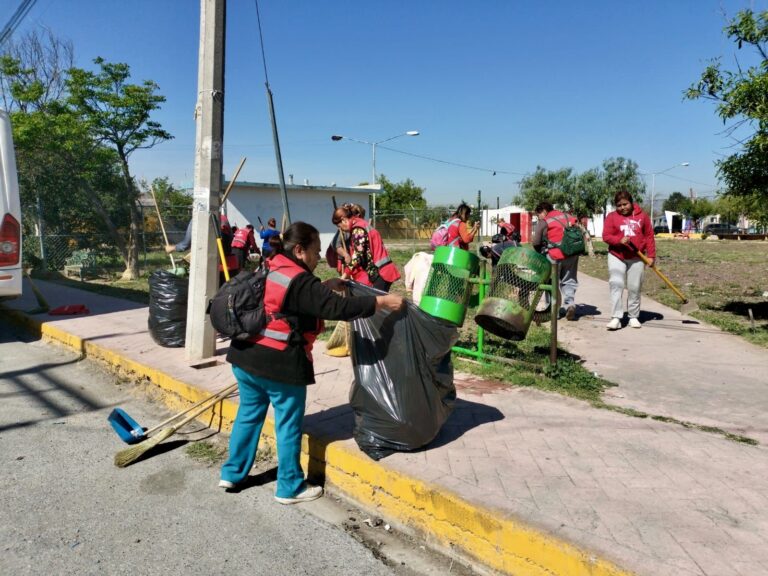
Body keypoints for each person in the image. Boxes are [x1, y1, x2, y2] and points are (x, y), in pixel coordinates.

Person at [220, 222, 404, 503]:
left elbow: (291, 297)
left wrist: (324, 286)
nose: (319, 257)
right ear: (299, 250)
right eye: (316, 251)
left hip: (245, 357)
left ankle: (232, 474)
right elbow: (338, 308)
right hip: (279, 364)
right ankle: (289, 487)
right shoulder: (300, 280)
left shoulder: (272, 264)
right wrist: (382, 302)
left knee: (248, 415)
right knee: (288, 425)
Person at [601, 190, 656, 330]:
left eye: (625, 204)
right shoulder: (612, 217)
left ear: (631, 203)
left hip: (637, 256)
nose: (622, 208)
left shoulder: (642, 217)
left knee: (634, 287)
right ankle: (616, 317)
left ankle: (633, 316)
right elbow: (606, 236)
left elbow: (649, 236)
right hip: (616, 255)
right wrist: (618, 240)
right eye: (619, 205)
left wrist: (651, 256)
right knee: (616, 284)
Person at [331, 206, 401, 292]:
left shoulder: (358, 229)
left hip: (380, 272)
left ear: (344, 220)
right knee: (378, 302)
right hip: (382, 271)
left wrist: (344, 275)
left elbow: (357, 256)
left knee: (376, 302)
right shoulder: (361, 223)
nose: (341, 229)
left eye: (339, 226)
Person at [532, 201, 582, 321]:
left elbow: (536, 242)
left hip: (554, 255)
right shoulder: (567, 216)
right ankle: (569, 304)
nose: (539, 218)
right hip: (572, 254)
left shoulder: (545, 221)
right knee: (569, 280)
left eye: (538, 215)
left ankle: (554, 311)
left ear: (543, 211)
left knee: (551, 283)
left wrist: (539, 252)